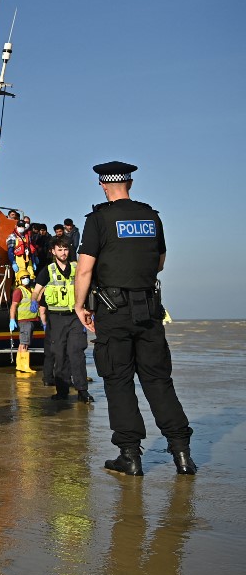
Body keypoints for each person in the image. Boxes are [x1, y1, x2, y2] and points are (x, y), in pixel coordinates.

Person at [74, 161, 195, 476]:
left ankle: (130, 455)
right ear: (130, 183)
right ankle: (182, 454)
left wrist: (79, 305)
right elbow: (160, 262)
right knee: (158, 380)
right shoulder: (151, 217)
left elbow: (85, 268)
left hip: (113, 310)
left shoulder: (98, 219)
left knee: (118, 380)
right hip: (149, 308)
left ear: (103, 185)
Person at [32, 236, 93, 403]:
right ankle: (62, 390)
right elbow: (36, 291)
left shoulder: (77, 268)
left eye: (65, 249)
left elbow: (89, 286)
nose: (63, 252)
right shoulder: (48, 270)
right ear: (53, 251)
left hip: (75, 316)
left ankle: (82, 390)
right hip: (56, 318)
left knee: (76, 352)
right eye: (60, 249)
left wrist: (90, 310)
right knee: (59, 354)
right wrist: (34, 301)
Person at [9, 269, 41, 375]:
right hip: (24, 320)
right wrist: (12, 319)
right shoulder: (19, 291)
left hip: (31, 319)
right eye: (23, 278)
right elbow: (13, 306)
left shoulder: (31, 289)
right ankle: (24, 365)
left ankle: (20, 364)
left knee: (24, 343)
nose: (26, 279)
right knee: (24, 343)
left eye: (27, 277)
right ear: (19, 280)